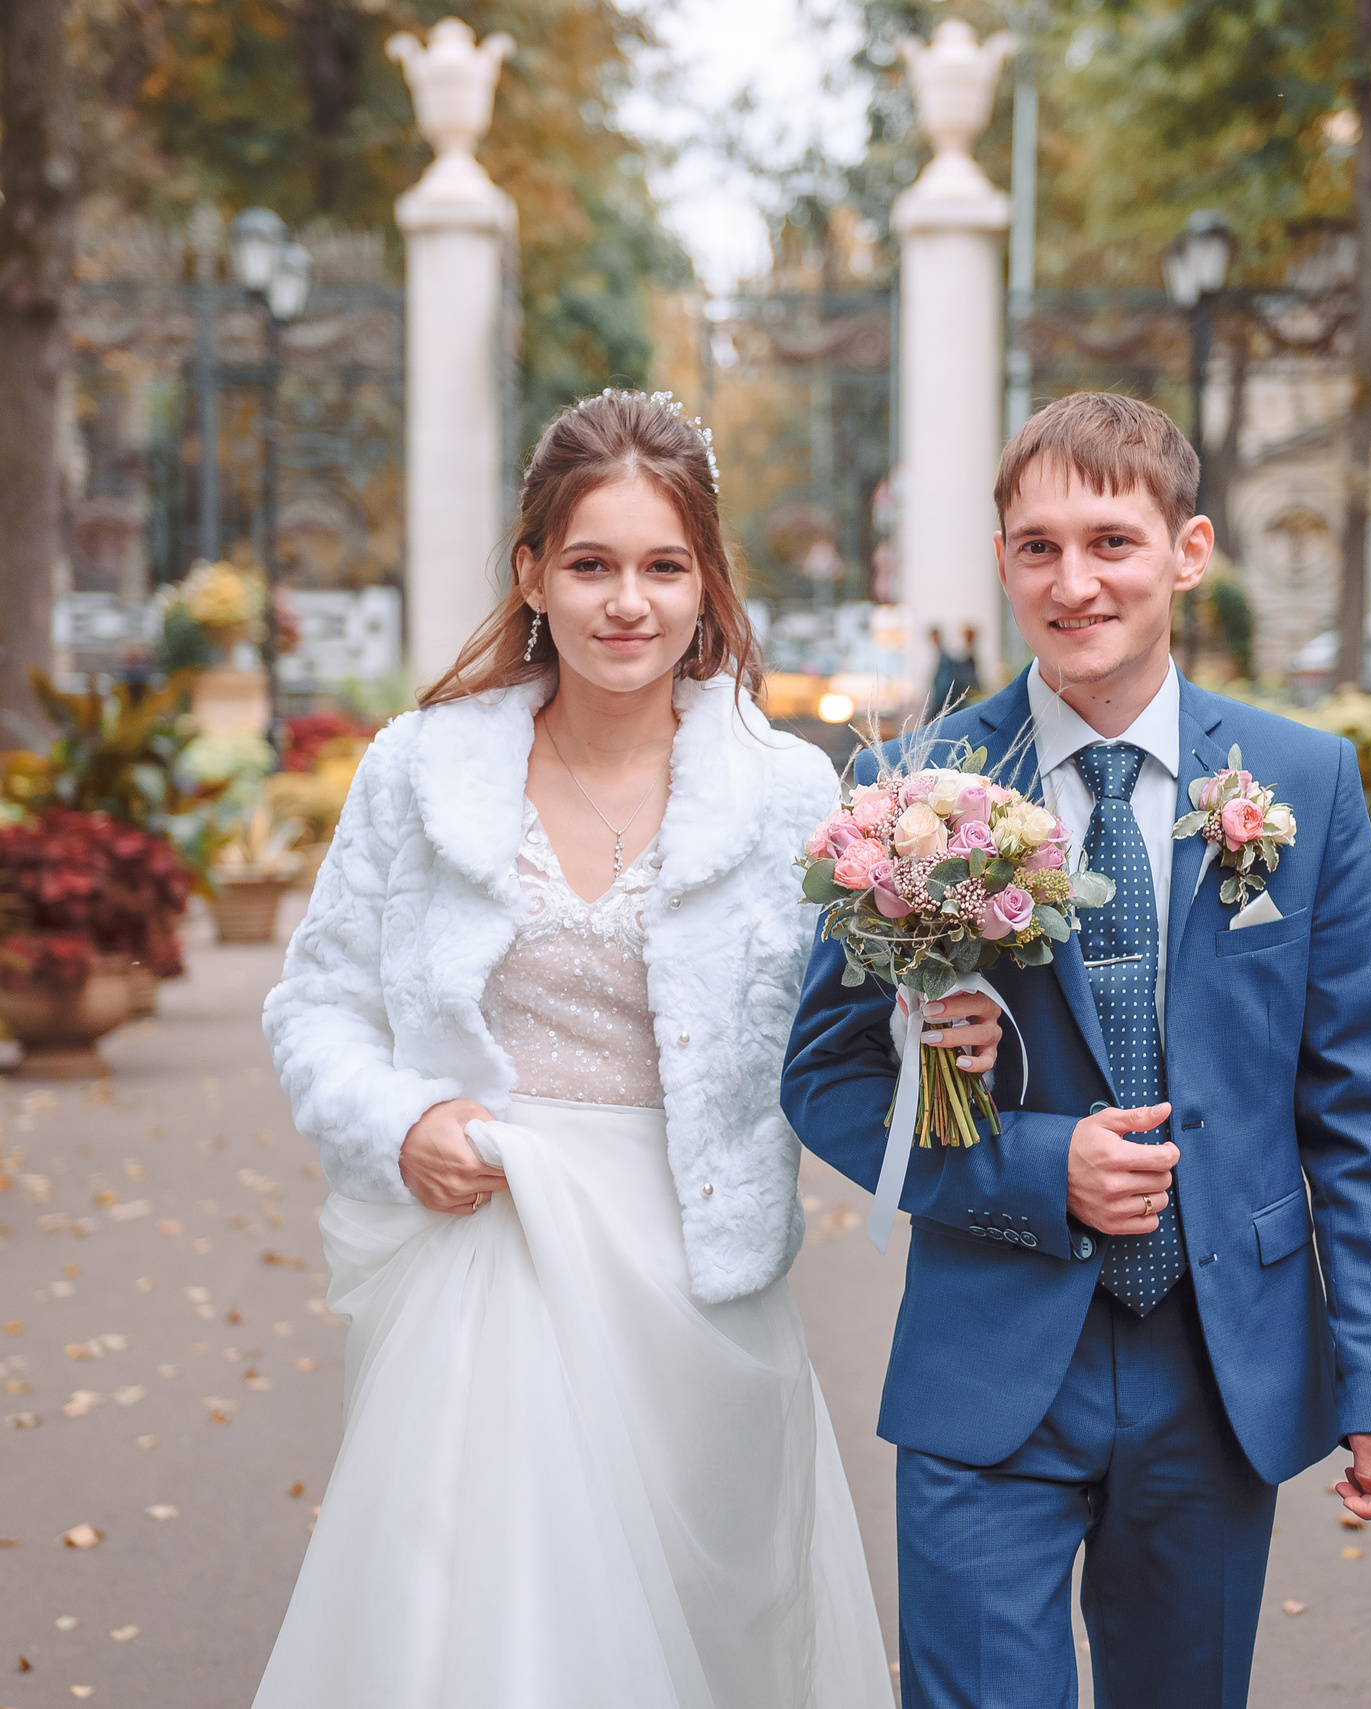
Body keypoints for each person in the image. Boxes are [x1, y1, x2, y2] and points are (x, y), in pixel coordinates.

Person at [252, 391, 939, 1709]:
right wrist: (400, 1121)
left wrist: (944, 1016)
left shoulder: (794, 796)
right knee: (488, 1630)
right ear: (532, 575)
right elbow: (317, 1003)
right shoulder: (419, 771)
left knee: (701, 1645)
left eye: (663, 566)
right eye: (592, 563)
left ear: (705, 585)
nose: (629, 602)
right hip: (490, 1250)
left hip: (697, 1273)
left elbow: (852, 1035)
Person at [783, 392, 1371, 1708]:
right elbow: (830, 1071)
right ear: (1003, 561)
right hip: (991, 1362)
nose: (1073, 582)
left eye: (1111, 541)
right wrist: (1033, 1163)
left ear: (1187, 550)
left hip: (1221, 1364)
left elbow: (1363, 1103)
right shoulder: (915, 792)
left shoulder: (1301, 783)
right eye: (1036, 547)